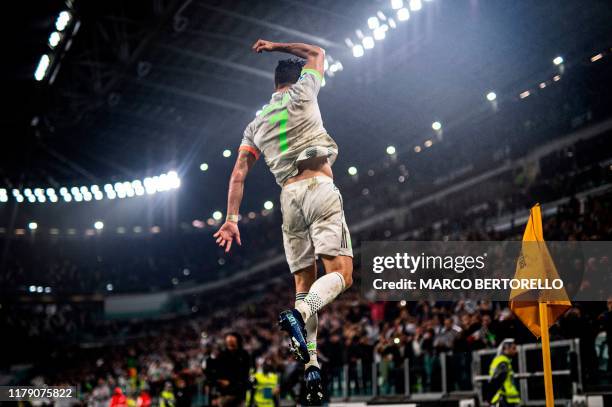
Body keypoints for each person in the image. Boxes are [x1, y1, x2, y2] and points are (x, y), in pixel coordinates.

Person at [213, 38, 354, 404]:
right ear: (298, 76)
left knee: (304, 285)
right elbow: (318, 53)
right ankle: (299, 315)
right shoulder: (305, 91)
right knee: (341, 274)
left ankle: (311, 365)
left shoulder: (256, 124)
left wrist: (231, 219)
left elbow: (238, 173)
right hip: (318, 186)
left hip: (288, 200)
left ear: (274, 84)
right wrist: (276, 45)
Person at [213, 332, 251, 407]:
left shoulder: (244, 355)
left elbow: (245, 374)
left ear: (238, 341)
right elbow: (216, 373)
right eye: (228, 341)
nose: (229, 343)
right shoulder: (222, 355)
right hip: (224, 394)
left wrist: (230, 382)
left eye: (232, 341)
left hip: (239, 393)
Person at [488, 338, 520, 406]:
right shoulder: (503, 362)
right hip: (503, 400)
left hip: (506, 399)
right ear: (506, 348)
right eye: (513, 348)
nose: (516, 351)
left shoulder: (504, 361)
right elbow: (496, 381)